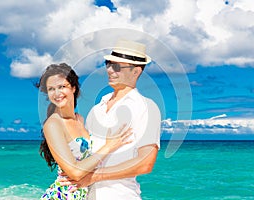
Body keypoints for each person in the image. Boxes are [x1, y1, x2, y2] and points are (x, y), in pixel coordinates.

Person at [60, 39, 161, 199]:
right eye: (108, 63)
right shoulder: (96, 109)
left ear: (136, 71)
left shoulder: (146, 108)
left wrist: (94, 176)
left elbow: (145, 163)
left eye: (117, 66)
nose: (109, 70)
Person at [36, 63, 133, 200]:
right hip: (63, 196)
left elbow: (87, 161)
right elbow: (75, 172)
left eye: (62, 87)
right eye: (51, 89)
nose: (57, 93)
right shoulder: (53, 124)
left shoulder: (79, 119)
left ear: (73, 88)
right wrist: (109, 146)